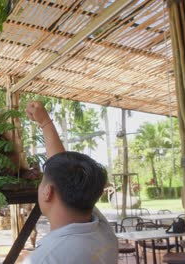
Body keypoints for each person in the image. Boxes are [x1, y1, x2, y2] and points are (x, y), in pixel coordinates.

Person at [23, 101, 118, 264]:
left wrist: (45, 122)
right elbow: (63, 169)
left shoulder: (44, 259)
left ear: (48, 192)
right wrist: (45, 122)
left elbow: (62, 170)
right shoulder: (104, 232)